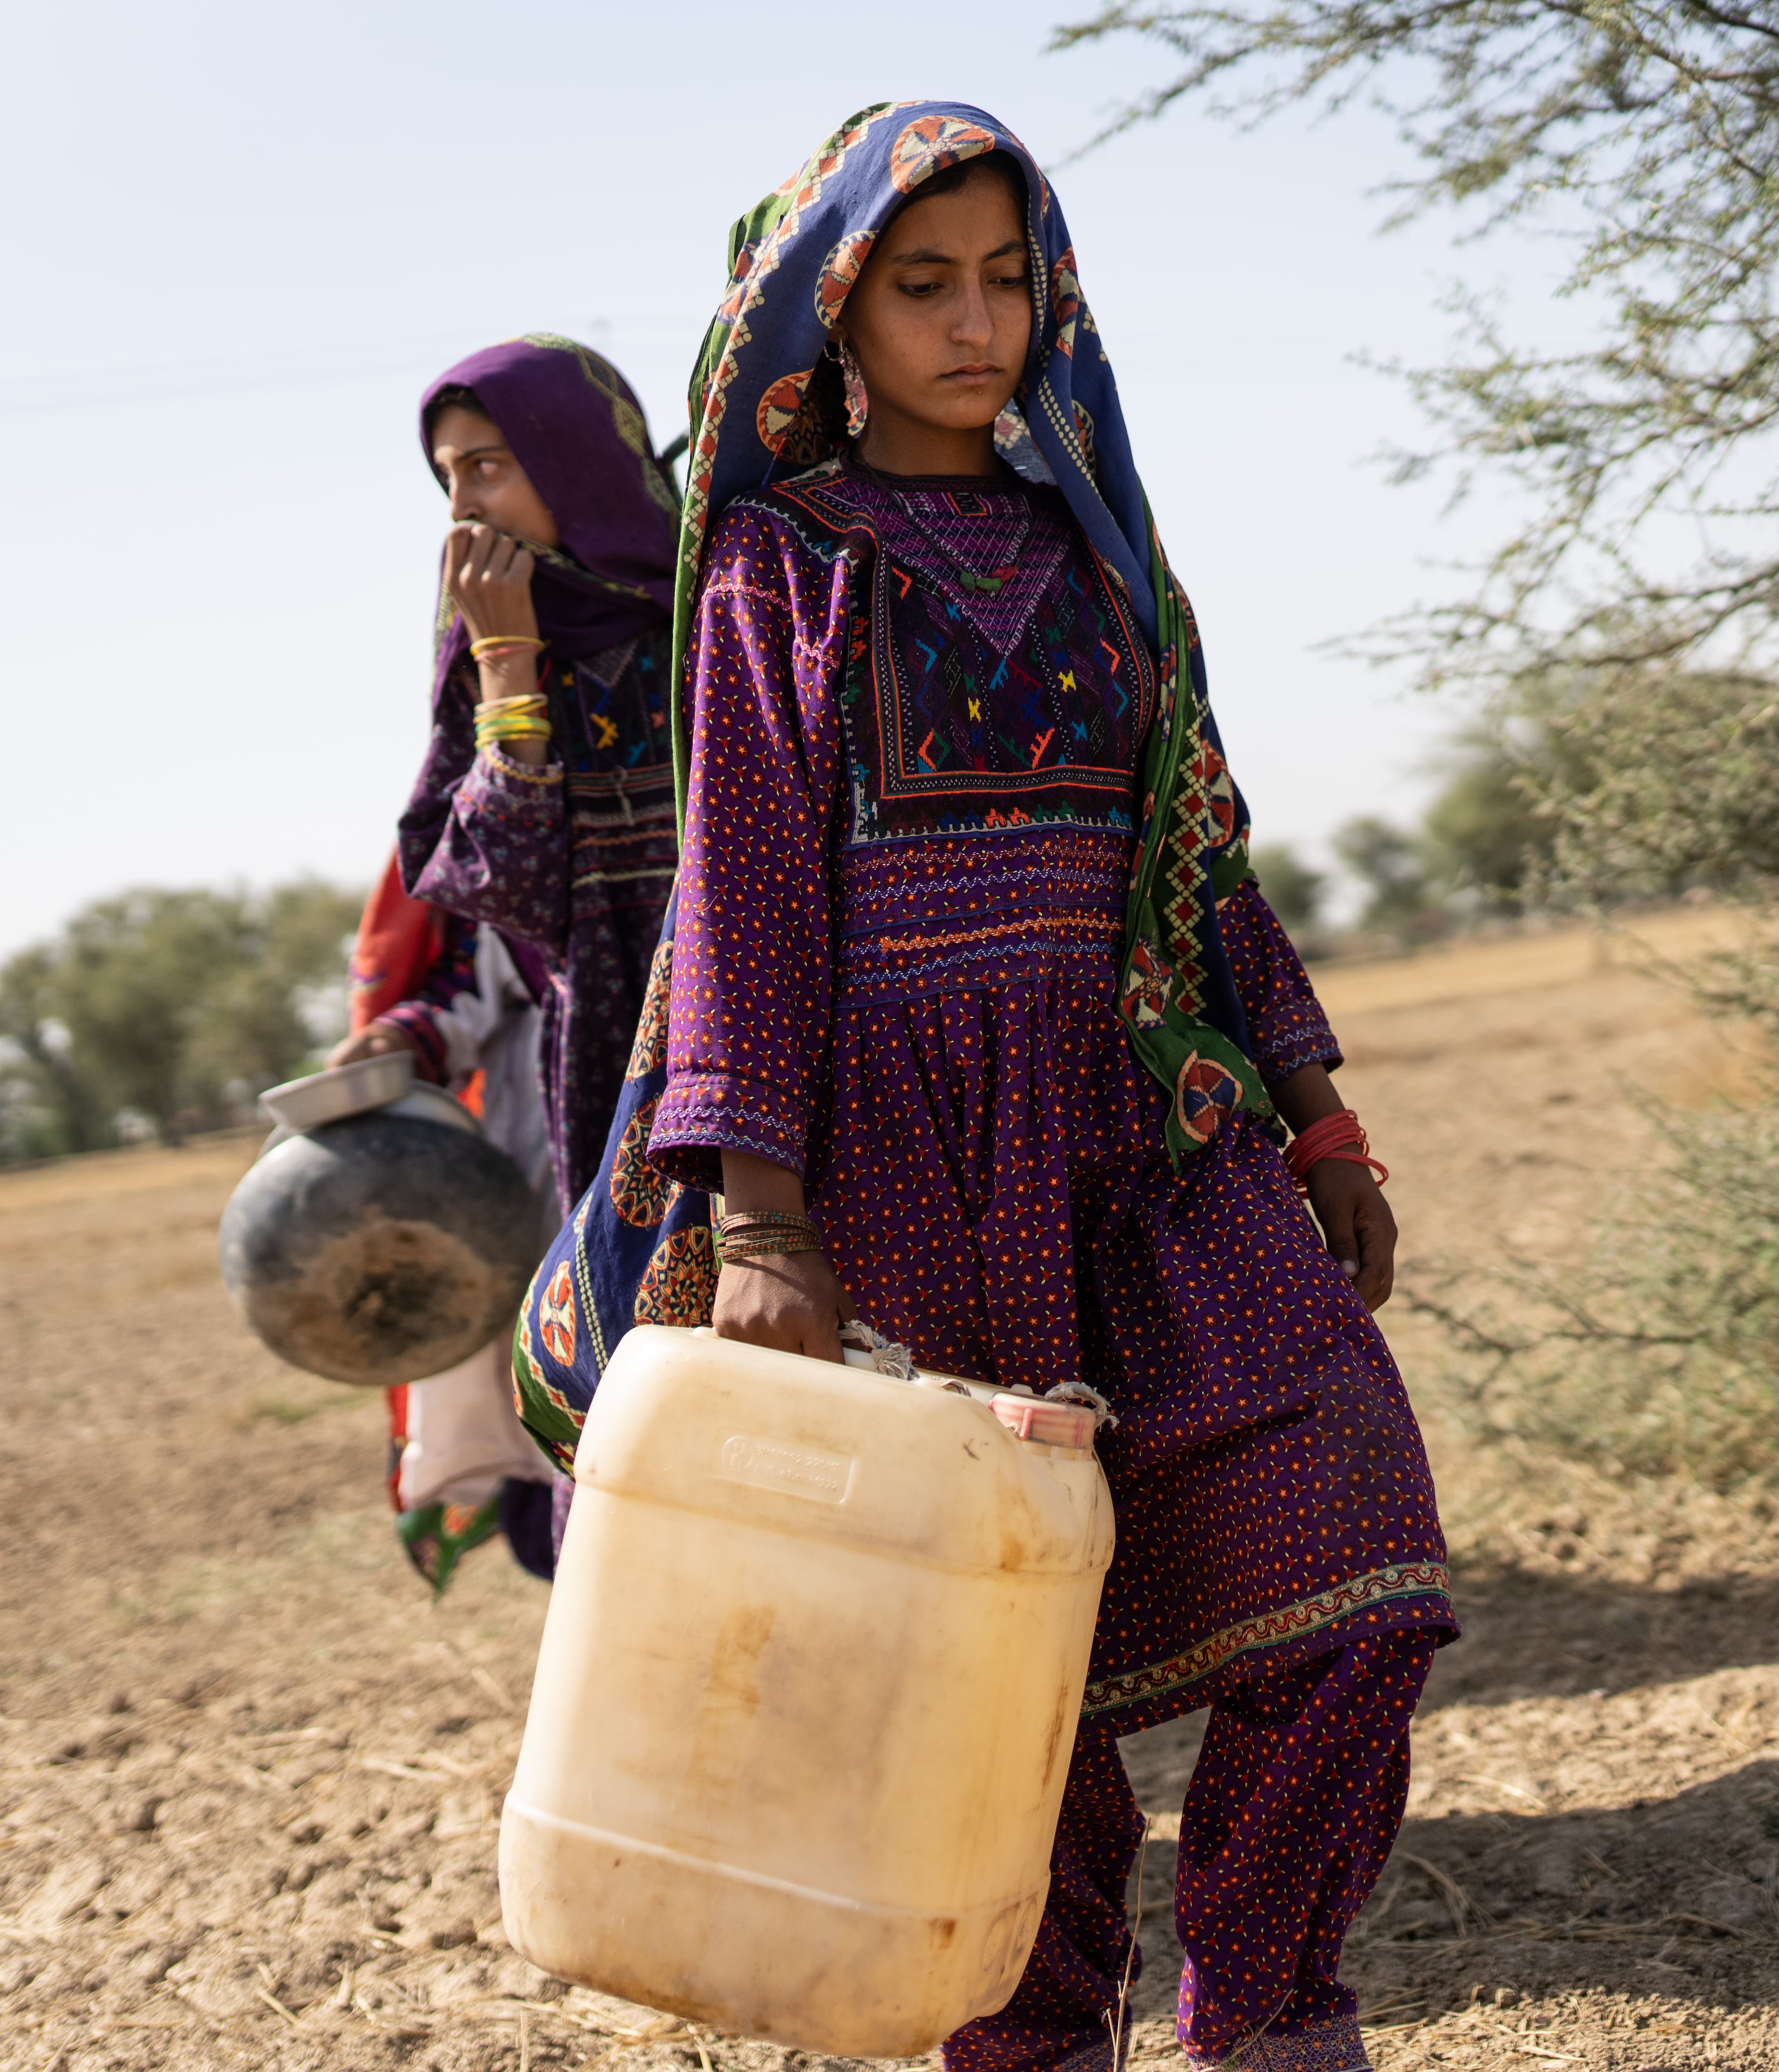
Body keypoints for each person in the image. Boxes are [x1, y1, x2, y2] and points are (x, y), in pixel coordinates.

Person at [508, 104, 1454, 2072]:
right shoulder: (781, 560)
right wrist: (760, 1219)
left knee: (1361, 1566)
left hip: (1143, 1143)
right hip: (898, 1164)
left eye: (1005, 279)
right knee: (990, 1689)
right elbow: (748, 889)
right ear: (832, 319)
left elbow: (1197, 852)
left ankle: (1267, 2018)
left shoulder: (1101, 560)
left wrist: (1315, 1106)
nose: (973, 322)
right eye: (921, 282)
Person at [351, 335, 682, 1209]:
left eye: (487, 467)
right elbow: (510, 894)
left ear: (572, 465)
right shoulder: (483, 655)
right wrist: (506, 664)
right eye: (447, 479)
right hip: (605, 1086)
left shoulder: (714, 617)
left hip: (760, 1047)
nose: (462, 507)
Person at [341, 859, 566, 1590]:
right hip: (544, 1150)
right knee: (558, 1421)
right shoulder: (518, 795)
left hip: (722, 1114)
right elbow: (464, 988)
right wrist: (398, 1039)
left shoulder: (729, 759)